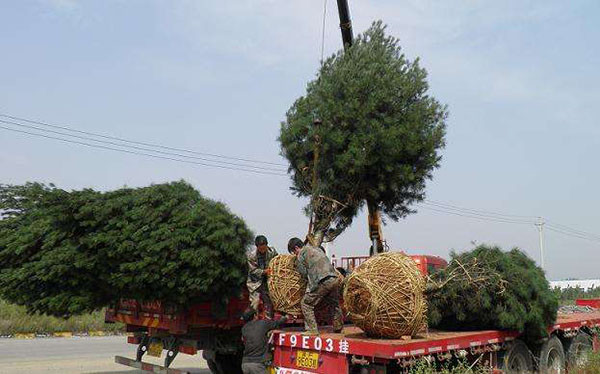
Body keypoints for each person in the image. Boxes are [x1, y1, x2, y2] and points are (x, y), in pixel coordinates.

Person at [287, 237, 343, 335]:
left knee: (306, 304)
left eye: (293, 252)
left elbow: (304, 273)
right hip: (334, 278)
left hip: (322, 281)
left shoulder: (301, 255)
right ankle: (338, 326)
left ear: (296, 248)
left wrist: (296, 265)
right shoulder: (316, 248)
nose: (294, 254)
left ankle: (312, 329)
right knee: (334, 303)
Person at [241, 310, 288, 374]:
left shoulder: (244, 328)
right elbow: (277, 323)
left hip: (245, 365)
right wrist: (286, 317)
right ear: (255, 316)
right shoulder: (262, 324)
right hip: (257, 365)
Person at [247, 235, 278, 318]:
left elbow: (277, 261)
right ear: (257, 247)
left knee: (269, 302)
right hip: (255, 282)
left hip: (267, 282)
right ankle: (253, 321)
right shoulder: (251, 256)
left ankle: (269, 321)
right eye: (261, 249)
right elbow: (253, 270)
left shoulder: (272, 251)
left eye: (265, 248)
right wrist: (264, 271)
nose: (263, 250)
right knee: (255, 303)